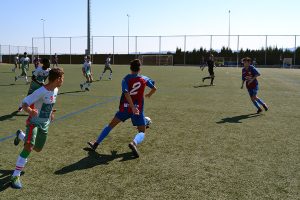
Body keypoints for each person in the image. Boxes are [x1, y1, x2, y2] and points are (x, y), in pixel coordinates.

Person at [87, 59, 157, 158]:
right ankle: (133, 143)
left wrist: (131, 106)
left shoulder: (126, 79)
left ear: (130, 68)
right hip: (137, 109)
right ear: (140, 69)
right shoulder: (144, 79)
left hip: (125, 108)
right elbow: (154, 88)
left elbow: (126, 92)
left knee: (110, 125)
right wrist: (149, 94)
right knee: (142, 131)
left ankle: (96, 143)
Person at [11, 67, 64, 189]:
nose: (63, 81)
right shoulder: (41, 91)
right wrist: (30, 110)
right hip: (33, 122)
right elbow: (24, 103)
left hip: (45, 123)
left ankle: (20, 135)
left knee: (37, 148)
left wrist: (50, 113)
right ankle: (15, 175)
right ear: (58, 79)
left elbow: (50, 103)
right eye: (62, 78)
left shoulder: (55, 90)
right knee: (29, 146)